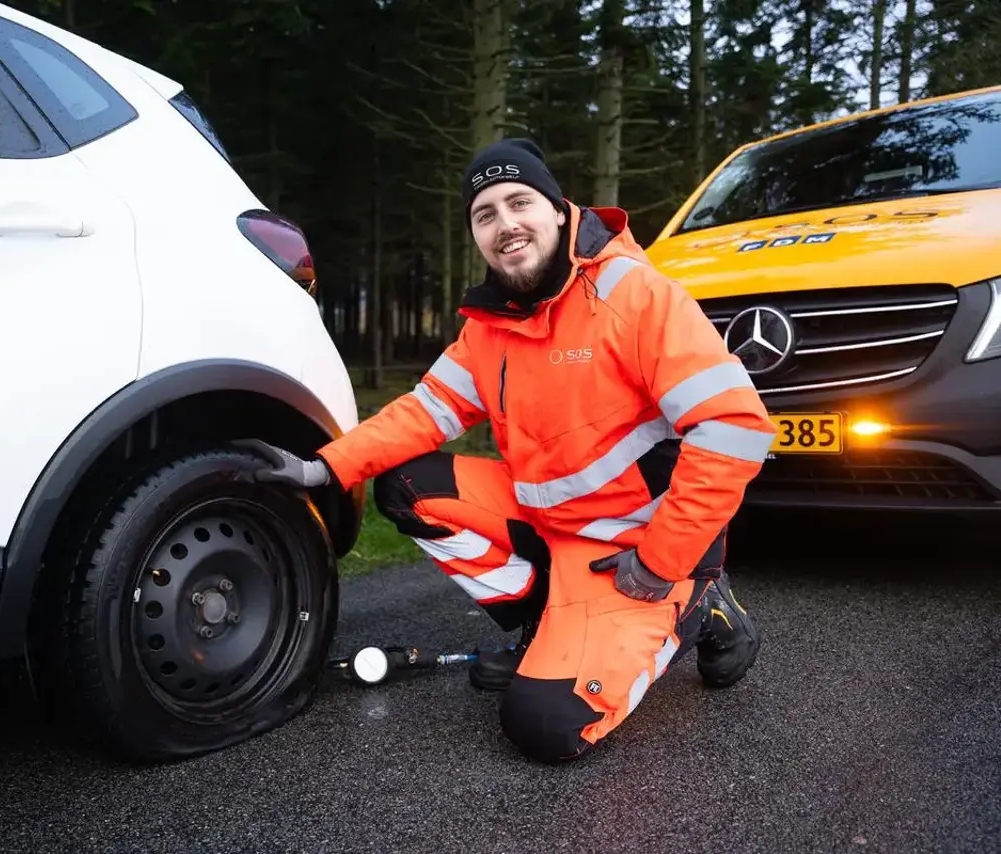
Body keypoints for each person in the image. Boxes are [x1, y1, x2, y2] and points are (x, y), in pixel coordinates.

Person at [238, 138, 777, 764]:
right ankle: (547, 622)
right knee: (406, 487)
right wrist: (326, 466)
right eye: (485, 214)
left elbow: (735, 426)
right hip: (552, 525)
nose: (505, 224)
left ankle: (700, 601)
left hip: (635, 549)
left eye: (519, 202)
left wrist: (662, 561)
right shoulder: (491, 323)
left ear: (558, 209)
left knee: (544, 726)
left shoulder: (637, 297)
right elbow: (426, 410)